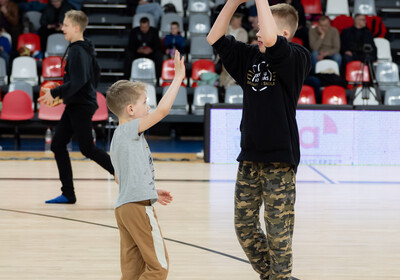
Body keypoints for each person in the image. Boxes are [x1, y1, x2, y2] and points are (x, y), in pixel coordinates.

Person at [207, 0, 310, 279]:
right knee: (244, 227)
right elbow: (214, 37)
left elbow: (276, 46)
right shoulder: (250, 57)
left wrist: (261, 0)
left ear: (285, 34)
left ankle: (280, 276)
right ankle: (275, 276)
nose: (257, 34)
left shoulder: (297, 57)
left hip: (279, 159)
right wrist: (234, 2)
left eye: (263, 28)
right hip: (249, 157)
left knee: (278, 233)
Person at [105, 50, 185, 279]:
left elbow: (121, 178)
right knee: (158, 268)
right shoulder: (129, 129)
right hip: (138, 208)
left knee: (132, 271)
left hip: (124, 208)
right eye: (144, 103)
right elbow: (163, 110)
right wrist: (178, 77)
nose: (148, 107)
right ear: (130, 110)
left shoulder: (118, 139)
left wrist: (150, 189)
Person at [38, 10, 115, 204]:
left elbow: (80, 80)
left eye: (65, 25)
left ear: (76, 27)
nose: (62, 28)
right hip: (78, 103)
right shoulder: (85, 48)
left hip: (81, 105)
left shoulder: (78, 50)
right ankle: (68, 194)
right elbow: (95, 73)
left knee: (87, 148)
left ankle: (126, 177)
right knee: (58, 145)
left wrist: (55, 93)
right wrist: (81, 92)